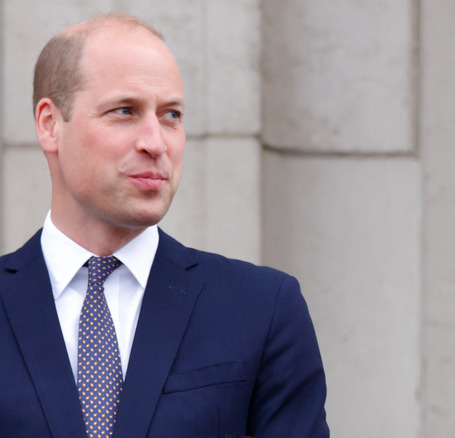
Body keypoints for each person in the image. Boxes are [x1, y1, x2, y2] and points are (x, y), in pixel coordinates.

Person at [0, 13, 329, 437]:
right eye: (125, 111)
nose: (156, 143)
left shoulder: (261, 309)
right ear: (50, 124)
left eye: (171, 115)